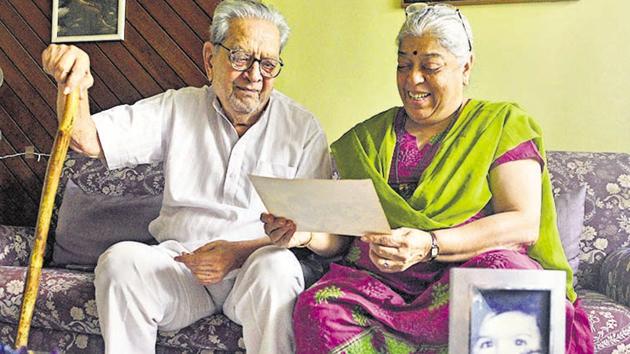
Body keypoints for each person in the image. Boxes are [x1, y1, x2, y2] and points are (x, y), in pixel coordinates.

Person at [262, 3, 594, 353]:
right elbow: (345, 239)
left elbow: (521, 223)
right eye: (403, 65)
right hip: (384, 288)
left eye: (430, 67)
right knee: (320, 307)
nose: (413, 79)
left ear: (466, 67)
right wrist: (308, 234)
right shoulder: (368, 139)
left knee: (510, 279)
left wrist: (430, 244)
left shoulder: (500, 125)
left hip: (463, 281)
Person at [41, 1, 343, 353]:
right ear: (209, 57)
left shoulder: (301, 128)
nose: (254, 75)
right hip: (181, 267)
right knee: (120, 261)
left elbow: (331, 238)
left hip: (254, 272)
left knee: (276, 268)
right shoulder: (177, 108)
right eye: (240, 58)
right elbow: (84, 138)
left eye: (268, 64)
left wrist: (237, 253)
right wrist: (74, 81)